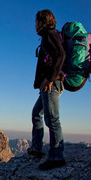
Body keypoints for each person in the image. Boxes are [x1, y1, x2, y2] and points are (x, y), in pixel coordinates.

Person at [28, 9, 66, 170]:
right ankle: (37, 149)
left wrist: (50, 78)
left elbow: (61, 56)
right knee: (37, 114)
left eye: (36, 22)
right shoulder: (48, 36)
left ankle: (56, 157)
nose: (35, 25)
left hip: (52, 84)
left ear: (43, 22)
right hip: (47, 85)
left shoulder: (50, 34)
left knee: (52, 119)